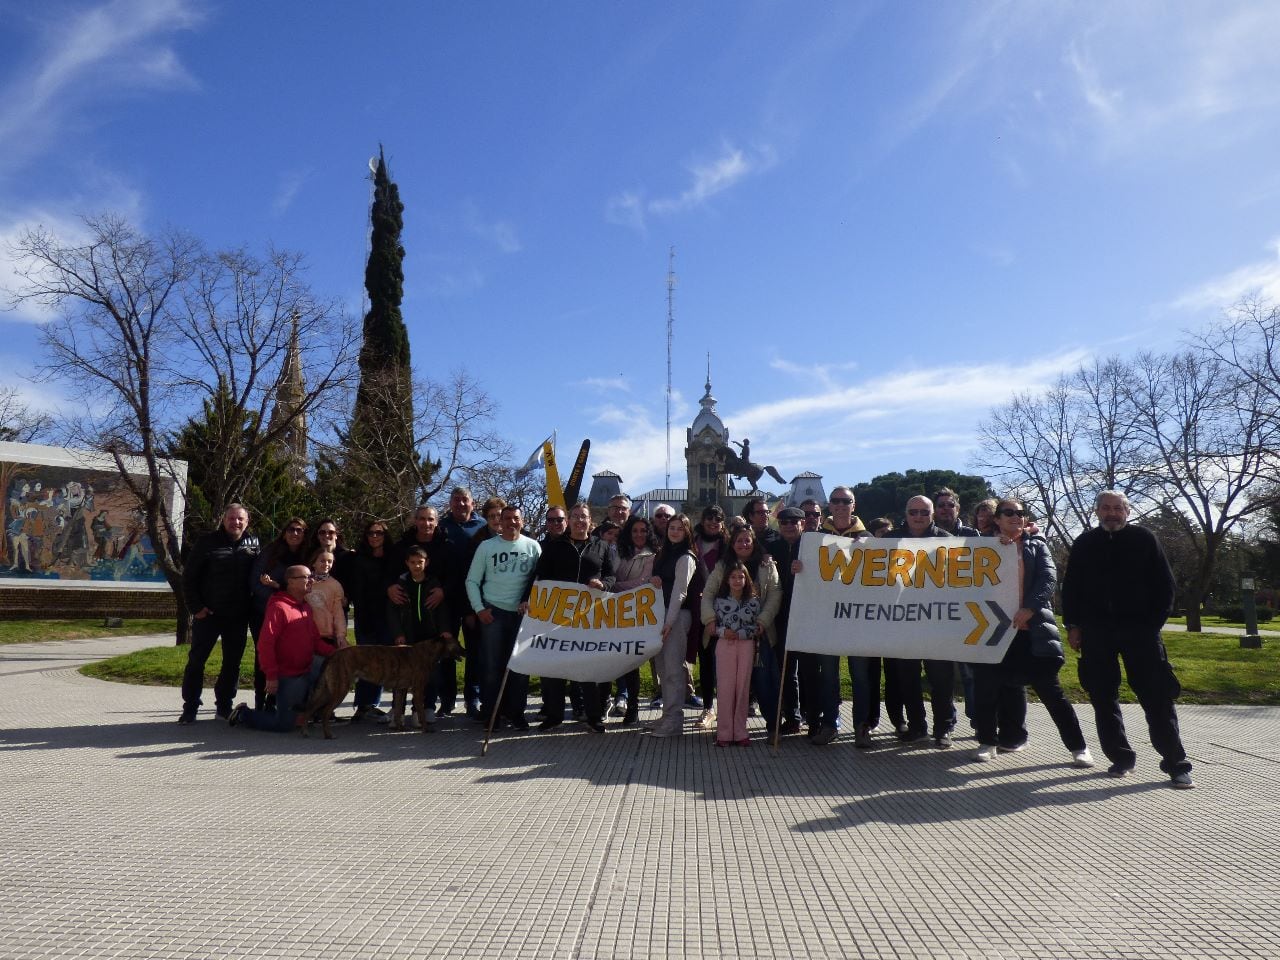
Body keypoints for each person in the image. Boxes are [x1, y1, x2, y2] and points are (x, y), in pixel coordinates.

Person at [1061, 490, 1193, 788]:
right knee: (1102, 698)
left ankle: (1176, 764)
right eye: (1106, 508)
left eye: (1118, 508)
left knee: (1157, 699)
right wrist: (1073, 625)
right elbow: (1071, 589)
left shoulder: (1145, 539)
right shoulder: (1084, 543)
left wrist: (1152, 625)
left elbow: (1165, 586)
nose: (1112, 513)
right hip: (1096, 632)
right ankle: (1121, 758)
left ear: (1128, 511)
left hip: (1140, 632)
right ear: (1097, 512)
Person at [970, 498, 1092, 767]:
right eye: (1009, 513)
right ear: (997, 519)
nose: (1016, 517)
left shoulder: (1037, 546)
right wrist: (993, 550)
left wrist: (1030, 608)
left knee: (1052, 693)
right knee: (987, 690)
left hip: (1032, 631)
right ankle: (988, 742)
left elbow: (1048, 579)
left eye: (1020, 513)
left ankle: (1078, 747)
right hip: (994, 632)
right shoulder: (983, 547)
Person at [535, 501, 616, 732]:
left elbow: (611, 576)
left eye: (584, 517)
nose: (580, 520)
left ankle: (593, 716)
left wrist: (603, 584)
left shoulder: (601, 546)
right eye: (576, 516)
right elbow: (541, 575)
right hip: (558, 613)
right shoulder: (555, 545)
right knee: (556, 666)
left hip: (589, 614)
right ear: (569, 521)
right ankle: (554, 715)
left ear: (591, 521)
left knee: (587, 666)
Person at [227, 565, 336, 732]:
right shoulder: (279, 607)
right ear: (291, 582)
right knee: (284, 725)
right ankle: (243, 714)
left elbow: (315, 641)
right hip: (289, 674)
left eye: (311, 577)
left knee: (338, 671)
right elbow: (265, 644)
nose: (311, 580)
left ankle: (310, 712)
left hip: (308, 667)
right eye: (306, 577)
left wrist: (339, 654)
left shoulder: (305, 607)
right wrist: (271, 676)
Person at [179, 504, 260, 724]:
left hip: (238, 616)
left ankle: (224, 706)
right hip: (209, 614)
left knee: (232, 663)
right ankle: (190, 707)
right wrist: (196, 608)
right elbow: (189, 578)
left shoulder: (254, 544)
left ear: (247, 520)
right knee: (197, 661)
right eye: (232, 518)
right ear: (224, 520)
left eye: (240, 519)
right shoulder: (207, 543)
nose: (236, 522)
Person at [700, 525, 781, 743]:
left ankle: (773, 726)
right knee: (728, 685)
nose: (743, 544)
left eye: (747, 540)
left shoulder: (766, 565)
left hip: (758, 633)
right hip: (726, 636)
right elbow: (707, 595)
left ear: (753, 542)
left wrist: (763, 621)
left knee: (764, 681)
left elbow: (775, 594)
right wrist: (710, 620)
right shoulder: (722, 566)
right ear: (732, 543)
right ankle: (726, 731)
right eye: (739, 541)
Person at [887, 495, 955, 746]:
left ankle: (944, 728)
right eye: (913, 512)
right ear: (905, 513)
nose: (918, 517)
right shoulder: (889, 541)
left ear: (932, 514)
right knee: (908, 678)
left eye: (923, 512)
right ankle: (917, 726)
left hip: (937, 621)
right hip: (903, 622)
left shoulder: (948, 541)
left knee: (941, 679)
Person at [465, 505, 541, 731]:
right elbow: (471, 581)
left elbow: (540, 581)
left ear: (522, 521)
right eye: (506, 518)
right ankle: (491, 714)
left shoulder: (533, 546)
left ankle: (516, 713)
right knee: (491, 667)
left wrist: (531, 603)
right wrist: (479, 609)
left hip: (521, 616)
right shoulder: (487, 547)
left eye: (515, 518)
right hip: (493, 613)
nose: (511, 522)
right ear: (500, 521)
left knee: (519, 667)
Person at [387, 505, 459, 719]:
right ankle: (397, 707)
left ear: (437, 522)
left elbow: (457, 577)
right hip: (407, 617)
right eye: (421, 519)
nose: (426, 523)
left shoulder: (448, 546)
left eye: (430, 519)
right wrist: (389, 587)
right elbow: (389, 573)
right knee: (401, 666)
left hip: (434, 617)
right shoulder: (402, 546)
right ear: (415, 520)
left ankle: (426, 706)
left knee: (431, 668)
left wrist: (443, 592)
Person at [248, 517, 308, 709]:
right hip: (264, 611)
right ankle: (261, 700)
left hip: (294, 615)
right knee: (264, 655)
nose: (295, 533)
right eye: (291, 529)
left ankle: (281, 700)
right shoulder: (270, 552)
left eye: (299, 530)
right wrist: (277, 600)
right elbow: (255, 581)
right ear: (284, 532)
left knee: (289, 656)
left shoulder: (307, 555)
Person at [647, 513, 698, 738]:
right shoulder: (664, 554)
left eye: (680, 528)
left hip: (676, 617)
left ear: (687, 532)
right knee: (662, 669)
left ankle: (674, 720)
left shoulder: (686, 557)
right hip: (661, 615)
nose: (675, 531)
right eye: (672, 527)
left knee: (673, 670)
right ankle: (667, 715)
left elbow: (680, 592)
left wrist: (669, 622)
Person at [439, 487, 486, 717]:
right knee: (446, 651)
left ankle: (473, 699)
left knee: (474, 653)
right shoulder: (440, 526)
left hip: (473, 600)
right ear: (450, 503)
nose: (460, 504)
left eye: (464, 500)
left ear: (472, 503)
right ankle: (446, 700)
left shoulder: (483, 527)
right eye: (456, 500)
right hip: (445, 599)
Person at [708, 562, 762, 747]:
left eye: (741, 577)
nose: (737, 580)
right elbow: (714, 626)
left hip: (746, 645)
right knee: (725, 687)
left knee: (742, 687)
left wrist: (741, 633)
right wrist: (724, 633)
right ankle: (723, 733)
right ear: (727, 580)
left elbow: (756, 627)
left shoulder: (754, 602)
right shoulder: (719, 601)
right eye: (733, 577)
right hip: (725, 645)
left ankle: (740, 732)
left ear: (746, 579)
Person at [609, 514, 656, 725]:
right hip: (611, 610)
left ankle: (633, 707)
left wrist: (615, 587)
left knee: (631, 661)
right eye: (635, 530)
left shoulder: (652, 554)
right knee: (610, 658)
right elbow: (609, 573)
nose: (639, 534)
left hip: (636, 612)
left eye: (643, 531)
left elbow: (643, 582)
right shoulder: (616, 550)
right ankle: (606, 701)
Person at [348, 520, 396, 721]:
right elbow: (357, 590)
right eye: (370, 533)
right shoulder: (359, 558)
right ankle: (363, 705)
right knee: (367, 662)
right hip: (366, 615)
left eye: (379, 533)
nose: (374, 536)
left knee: (383, 662)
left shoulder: (394, 557)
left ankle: (373, 703)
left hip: (388, 616)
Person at [690, 506, 727, 728]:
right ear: (702, 520)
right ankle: (708, 707)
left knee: (724, 660)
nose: (713, 522)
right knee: (705, 659)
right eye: (709, 518)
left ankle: (726, 707)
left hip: (724, 609)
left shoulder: (728, 546)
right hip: (698, 607)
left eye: (718, 519)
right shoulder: (692, 543)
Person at [305, 548, 349, 648]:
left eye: (330, 561)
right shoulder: (305, 582)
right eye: (322, 561)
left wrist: (340, 635)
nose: (326, 564)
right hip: (306, 633)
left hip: (326, 635)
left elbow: (338, 613)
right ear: (313, 563)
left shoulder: (335, 585)